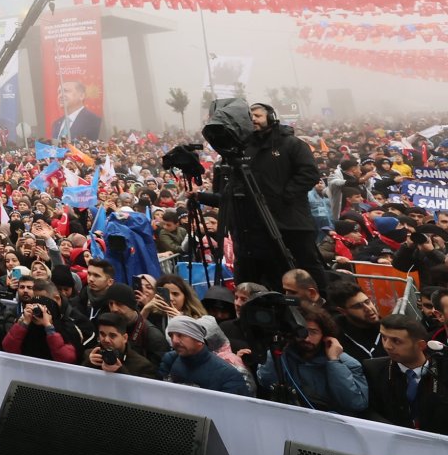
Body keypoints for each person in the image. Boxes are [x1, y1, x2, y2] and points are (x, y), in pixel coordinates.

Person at [212, 103, 325, 294]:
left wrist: (284, 196)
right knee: (271, 273)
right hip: (256, 227)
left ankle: (321, 303)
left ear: (271, 117)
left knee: (305, 267)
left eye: (257, 115)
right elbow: (230, 186)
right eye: (250, 117)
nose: (253, 120)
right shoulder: (242, 148)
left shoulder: (292, 144)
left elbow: (309, 174)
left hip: (292, 222)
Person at [255, 303, 368, 416]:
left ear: (325, 334)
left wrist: (334, 362)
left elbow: (356, 403)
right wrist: (275, 350)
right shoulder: (284, 354)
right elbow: (266, 382)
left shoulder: (347, 363)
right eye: (301, 331)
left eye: (313, 332)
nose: (307, 338)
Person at [361, 315, 447, 434]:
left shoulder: (443, 370)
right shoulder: (373, 369)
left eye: (396, 341)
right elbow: (369, 411)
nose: (387, 346)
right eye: (384, 338)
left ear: (420, 345)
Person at [156, 316, 251, 395]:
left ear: (198, 340)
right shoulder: (170, 359)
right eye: (171, 336)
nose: (175, 341)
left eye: (180, 335)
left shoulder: (228, 375)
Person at [85, 311, 157, 378]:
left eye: (112, 336)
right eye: (102, 334)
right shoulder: (90, 355)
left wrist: (120, 370)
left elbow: (140, 390)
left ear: (125, 338)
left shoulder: (142, 366)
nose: (106, 340)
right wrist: (90, 363)